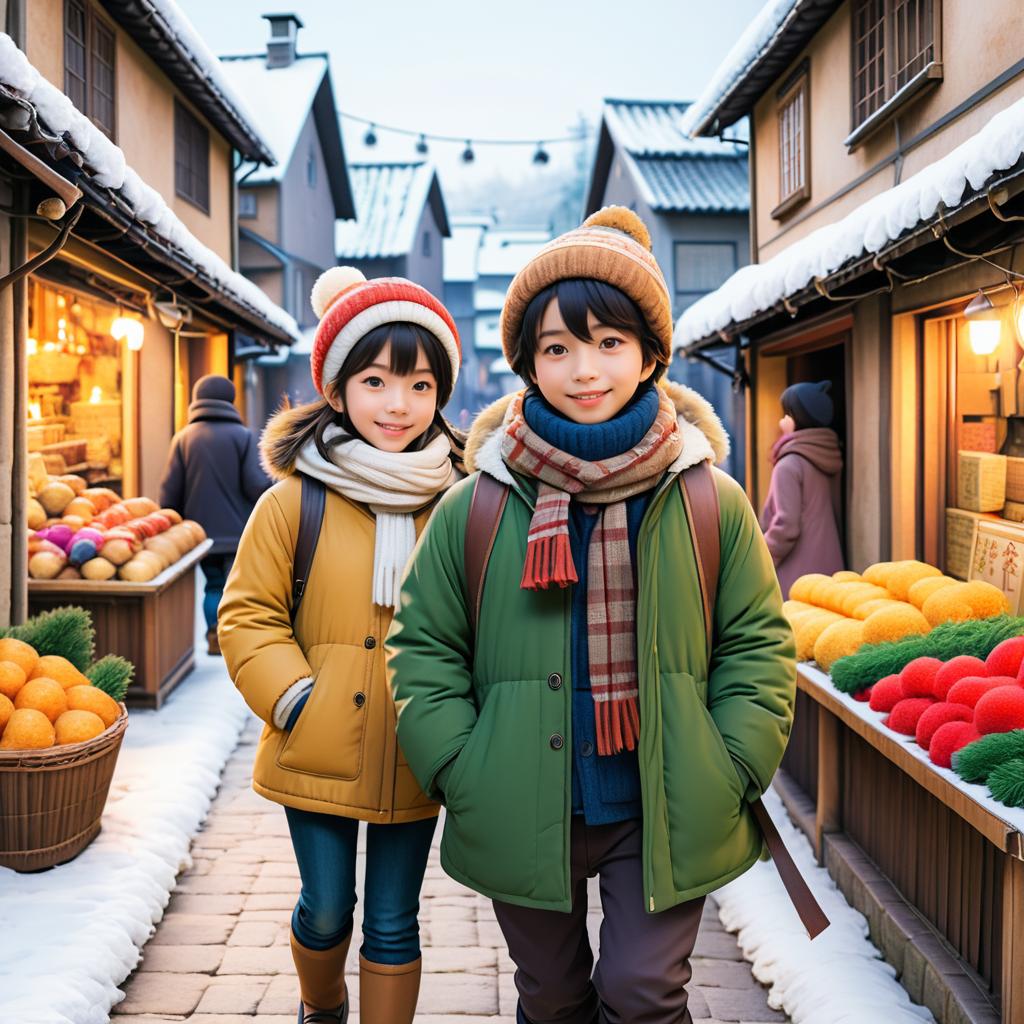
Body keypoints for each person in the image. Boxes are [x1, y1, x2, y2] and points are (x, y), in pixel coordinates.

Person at [387, 208, 796, 1024]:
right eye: (558, 347)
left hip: (664, 795)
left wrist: (733, 763)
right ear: (528, 363)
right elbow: (424, 647)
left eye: (609, 342)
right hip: (516, 791)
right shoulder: (478, 505)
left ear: (649, 355)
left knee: (642, 993)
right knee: (551, 996)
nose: (584, 369)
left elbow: (757, 643)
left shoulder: (708, 498)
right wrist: (459, 767)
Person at [217, 268, 464, 1024]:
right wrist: (297, 696)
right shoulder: (295, 498)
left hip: (414, 748)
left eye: (420, 386)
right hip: (317, 740)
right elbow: (247, 615)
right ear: (337, 387)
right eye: (378, 380)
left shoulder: (458, 500)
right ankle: (318, 1006)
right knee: (326, 909)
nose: (399, 404)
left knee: (395, 922)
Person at [158, 373, 269, 655]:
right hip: (237, 532)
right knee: (235, 588)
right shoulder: (242, 436)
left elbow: (170, 491)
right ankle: (234, 639)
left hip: (200, 534)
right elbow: (255, 484)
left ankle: (213, 638)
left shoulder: (183, 438)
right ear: (229, 400)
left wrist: (169, 524)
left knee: (213, 586)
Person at [760, 380, 845, 599]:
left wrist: (760, 557)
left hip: (796, 577)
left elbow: (786, 527)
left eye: (786, 414)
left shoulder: (789, 465)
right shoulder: (830, 456)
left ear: (799, 418)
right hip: (830, 571)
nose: (781, 421)